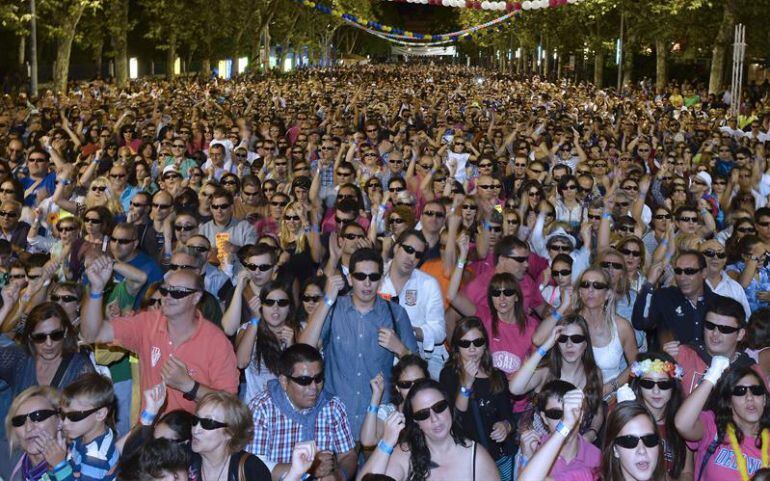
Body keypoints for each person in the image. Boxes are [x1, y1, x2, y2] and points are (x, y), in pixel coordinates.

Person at [80, 257, 239, 414]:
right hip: (150, 431)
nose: (167, 297)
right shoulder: (147, 323)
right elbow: (92, 335)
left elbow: (230, 404)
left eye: (177, 292)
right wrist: (95, 290)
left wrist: (189, 386)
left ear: (196, 297)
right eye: (165, 290)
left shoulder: (216, 342)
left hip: (195, 435)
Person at [299, 247, 418, 438]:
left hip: (377, 418)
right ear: (350, 278)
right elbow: (303, 351)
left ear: (381, 278)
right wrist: (327, 300)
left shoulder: (396, 313)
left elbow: (418, 368)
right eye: (360, 276)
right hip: (334, 418)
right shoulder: (334, 308)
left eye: (374, 276)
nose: (367, 283)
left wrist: (400, 349)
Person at [248, 343, 357, 480]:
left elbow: (348, 455)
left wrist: (338, 476)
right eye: (304, 381)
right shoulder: (262, 409)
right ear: (284, 381)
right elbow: (255, 467)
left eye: (318, 379)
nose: (313, 388)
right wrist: (309, 468)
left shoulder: (333, 406)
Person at [357, 379, 500, 481]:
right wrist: (387, 443)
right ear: (415, 421)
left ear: (449, 406)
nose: (434, 418)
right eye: (423, 414)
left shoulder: (476, 457)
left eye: (439, 407)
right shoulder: (405, 455)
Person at [438, 317, 516, 480]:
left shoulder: (497, 375)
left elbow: (509, 416)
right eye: (465, 343)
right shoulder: (449, 375)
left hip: (500, 456)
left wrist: (505, 427)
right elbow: (455, 417)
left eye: (478, 342)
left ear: (485, 344)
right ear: (457, 347)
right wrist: (466, 384)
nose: (472, 348)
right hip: (468, 459)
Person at [519, 396, 665, 481]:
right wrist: (566, 426)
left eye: (649, 440)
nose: (642, 450)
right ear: (615, 450)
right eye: (629, 441)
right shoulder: (590, 477)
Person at [509, 314, 604, 442]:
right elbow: (515, 389)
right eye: (563, 339)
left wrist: (592, 432)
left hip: (574, 450)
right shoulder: (546, 372)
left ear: (586, 343)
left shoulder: (594, 373)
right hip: (539, 448)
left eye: (576, 339)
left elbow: (597, 410)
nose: (569, 345)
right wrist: (544, 347)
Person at [675, 361, 770, 481]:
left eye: (756, 390)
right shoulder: (713, 426)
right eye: (740, 391)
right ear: (729, 402)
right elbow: (682, 425)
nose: (749, 397)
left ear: (764, 399)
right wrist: (712, 375)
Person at [378, 229, 447, 378]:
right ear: (396, 248)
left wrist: (411, 331)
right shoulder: (375, 277)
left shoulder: (428, 284)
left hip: (418, 361)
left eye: (418, 255)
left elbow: (440, 332)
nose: (412, 258)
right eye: (408, 250)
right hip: (377, 358)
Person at [0, 302, 94, 399]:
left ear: (65, 332)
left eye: (56, 335)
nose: (49, 343)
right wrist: (5, 308)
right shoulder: (20, 358)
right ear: (30, 337)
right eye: (40, 337)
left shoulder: (80, 367)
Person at [665, 296, 757, 395]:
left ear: (740, 334)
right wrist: (662, 360)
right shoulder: (682, 356)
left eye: (725, 329)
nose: (715, 334)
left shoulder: (752, 371)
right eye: (710, 326)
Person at [515, 380, 601, 480]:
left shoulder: (597, 457)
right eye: (555, 413)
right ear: (544, 418)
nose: (564, 420)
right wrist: (526, 459)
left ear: (581, 415)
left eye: (571, 412)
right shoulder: (531, 448)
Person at [633, 249, 719, 348]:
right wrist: (649, 284)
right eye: (678, 271)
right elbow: (639, 323)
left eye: (689, 271)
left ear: (703, 273)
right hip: (668, 362)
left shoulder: (718, 303)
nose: (682, 277)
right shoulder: (664, 297)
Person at [628, 352, 692, 481]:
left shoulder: (682, 423)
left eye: (663, 384)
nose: (656, 391)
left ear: (673, 387)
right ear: (638, 386)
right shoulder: (627, 422)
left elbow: (687, 473)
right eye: (648, 384)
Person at [45, 372, 120, 481]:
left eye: (74, 416)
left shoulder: (97, 456)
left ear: (100, 414)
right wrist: (54, 466)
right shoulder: (83, 436)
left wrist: (59, 465)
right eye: (62, 414)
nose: (64, 422)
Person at [189, 392, 272, 481]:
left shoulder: (252, 469)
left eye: (208, 423)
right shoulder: (182, 459)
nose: (196, 430)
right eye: (195, 420)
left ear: (230, 432)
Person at [360, 354, 430, 449]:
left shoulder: (435, 409)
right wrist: (376, 397)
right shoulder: (390, 412)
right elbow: (368, 441)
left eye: (419, 382)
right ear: (397, 387)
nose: (413, 388)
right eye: (406, 384)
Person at [5, 386, 62, 481]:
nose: (29, 427)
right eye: (19, 420)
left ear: (59, 420)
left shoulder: (79, 465)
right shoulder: (12, 465)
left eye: (38, 416)